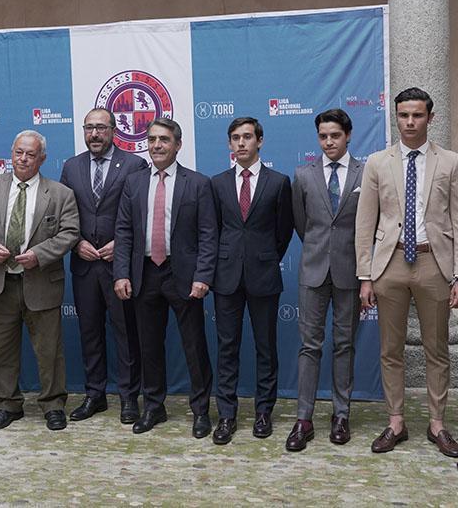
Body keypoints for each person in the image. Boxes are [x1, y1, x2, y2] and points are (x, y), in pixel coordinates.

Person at [355, 87, 458, 457]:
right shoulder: (377, 162)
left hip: (433, 264)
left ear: (430, 118)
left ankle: (437, 424)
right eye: (403, 115)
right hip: (389, 265)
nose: (409, 122)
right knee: (391, 349)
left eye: (417, 115)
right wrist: (365, 275)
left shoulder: (450, 162)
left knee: (436, 348)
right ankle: (396, 422)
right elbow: (365, 222)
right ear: (396, 117)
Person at [0, 130, 80, 431]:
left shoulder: (59, 193)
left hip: (41, 281)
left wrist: (40, 253)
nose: (23, 159)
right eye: (19, 152)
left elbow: (70, 232)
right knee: (1, 349)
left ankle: (53, 405)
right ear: (11, 154)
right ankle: (7, 404)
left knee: (49, 350)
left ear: (42, 158)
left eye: (30, 154)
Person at [114, 117, 217, 438]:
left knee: (194, 346)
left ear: (178, 145)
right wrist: (121, 273)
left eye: (163, 140)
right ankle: (153, 407)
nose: (156, 145)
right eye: (152, 139)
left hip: (183, 275)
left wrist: (203, 276)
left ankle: (200, 411)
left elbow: (208, 234)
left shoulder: (198, 183)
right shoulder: (133, 182)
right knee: (148, 347)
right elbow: (124, 232)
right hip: (144, 274)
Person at [60, 108, 148, 424]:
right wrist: (75, 242)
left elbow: (142, 215)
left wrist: (122, 246)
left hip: (119, 265)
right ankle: (94, 395)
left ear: (114, 130)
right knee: (89, 333)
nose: (94, 134)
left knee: (126, 333)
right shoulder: (71, 167)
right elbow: (63, 214)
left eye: (101, 128)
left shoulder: (135, 164)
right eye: (89, 128)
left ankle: (128, 398)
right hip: (84, 264)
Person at [208, 117, 293, 445]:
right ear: (229, 145)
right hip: (226, 277)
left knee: (265, 347)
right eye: (235, 138)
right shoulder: (217, 184)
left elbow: (283, 231)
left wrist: (265, 256)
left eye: (247, 137)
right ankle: (226, 415)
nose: (241, 143)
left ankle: (263, 412)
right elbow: (212, 230)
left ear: (260, 141)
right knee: (227, 347)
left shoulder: (278, 182)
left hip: (263, 274)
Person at [286, 109, 363, 451]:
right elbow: (302, 224)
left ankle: (341, 415)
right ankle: (304, 419)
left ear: (347, 135)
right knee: (309, 346)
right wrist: (322, 250)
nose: (328, 142)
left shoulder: (366, 172)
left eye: (334, 135)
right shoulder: (303, 175)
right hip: (313, 271)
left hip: (351, 271)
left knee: (345, 344)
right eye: (323, 136)